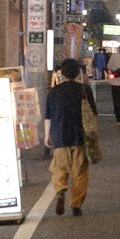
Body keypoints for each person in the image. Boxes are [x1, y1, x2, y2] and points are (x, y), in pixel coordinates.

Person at [44, 57, 97, 216]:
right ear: (78, 73)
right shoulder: (84, 89)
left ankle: (60, 190)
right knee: (80, 173)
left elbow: (48, 116)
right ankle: (76, 205)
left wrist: (47, 135)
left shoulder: (53, 91)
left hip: (60, 135)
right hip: (80, 137)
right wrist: (94, 134)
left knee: (59, 168)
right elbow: (93, 114)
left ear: (62, 73)